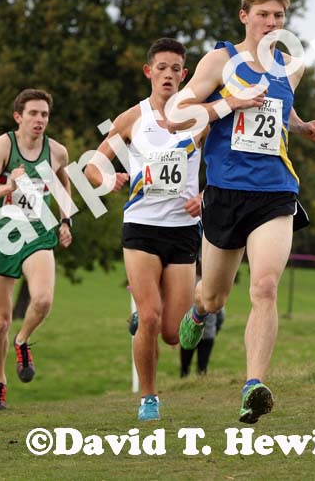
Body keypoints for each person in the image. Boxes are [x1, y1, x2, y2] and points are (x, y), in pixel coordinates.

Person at [176, 0, 315, 424]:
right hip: (225, 192)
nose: (271, 23)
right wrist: (230, 103)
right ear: (245, 16)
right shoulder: (220, 60)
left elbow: (281, 110)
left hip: (275, 190)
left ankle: (253, 386)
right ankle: (199, 309)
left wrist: (302, 128)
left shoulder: (292, 66)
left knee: (264, 287)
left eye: (278, 17)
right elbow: (180, 111)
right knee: (216, 295)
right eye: (263, 15)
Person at [84, 38, 204, 421]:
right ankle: (149, 398)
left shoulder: (199, 115)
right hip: (141, 226)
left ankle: (180, 315)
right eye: (162, 68)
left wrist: (207, 195)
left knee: (172, 334)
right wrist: (108, 179)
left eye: (176, 69)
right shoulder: (131, 119)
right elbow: (91, 165)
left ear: (185, 75)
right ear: (148, 71)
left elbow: (222, 162)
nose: (168, 75)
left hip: (184, 227)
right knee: (150, 317)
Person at [0, 88, 73, 411]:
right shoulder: (5, 145)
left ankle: (23, 340)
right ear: (18, 117)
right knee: (0, 320)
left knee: (43, 299)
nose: (39, 120)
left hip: (38, 232)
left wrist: (65, 220)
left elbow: (63, 182)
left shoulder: (57, 151)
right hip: (5, 235)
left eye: (44, 114)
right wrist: (9, 186)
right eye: (33, 113)